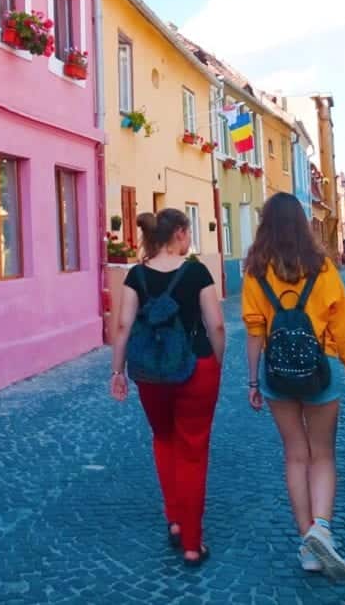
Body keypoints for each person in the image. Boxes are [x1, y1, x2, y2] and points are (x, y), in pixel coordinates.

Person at [242, 193, 345, 580]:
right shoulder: (323, 268)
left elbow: (253, 330)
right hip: (322, 370)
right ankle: (322, 529)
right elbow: (343, 327)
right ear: (303, 224)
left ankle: (307, 543)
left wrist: (252, 380)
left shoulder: (255, 271)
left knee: (295, 455)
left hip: (276, 372)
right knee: (323, 455)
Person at [110, 210, 225, 567]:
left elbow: (123, 325)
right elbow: (216, 325)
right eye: (188, 233)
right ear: (178, 233)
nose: (189, 240)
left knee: (163, 438)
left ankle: (175, 520)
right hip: (197, 367)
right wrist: (217, 362)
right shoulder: (197, 272)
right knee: (193, 450)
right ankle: (192, 543)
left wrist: (118, 371)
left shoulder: (136, 275)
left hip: (151, 374)